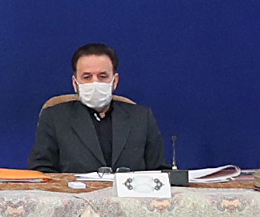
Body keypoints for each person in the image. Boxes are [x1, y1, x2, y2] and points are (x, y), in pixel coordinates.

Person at [26, 44, 166, 174]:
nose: (95, 82)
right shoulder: (54, 117)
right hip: (76, 192)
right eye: (87, 77)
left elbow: (159, 172)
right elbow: (41, 171)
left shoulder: (142, 117)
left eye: (102, 76)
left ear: (115, 81)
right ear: (75, 83)